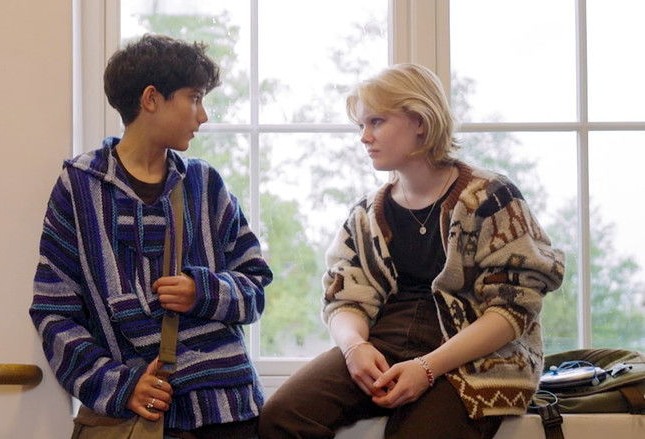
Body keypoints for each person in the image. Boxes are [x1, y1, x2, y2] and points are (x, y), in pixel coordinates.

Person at [258, 63, 564, 438]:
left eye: (376, 122)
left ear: (420, 121)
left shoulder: (492, 198)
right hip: (386, 342)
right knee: (281, 417)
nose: (364, 137)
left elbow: (514, 308)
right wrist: (355, 348)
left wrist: (427, 368)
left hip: (475, 358)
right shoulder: (366, 214)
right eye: (361, 125)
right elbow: (344, 298)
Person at [30, 34, 272, 439]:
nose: (203, 115)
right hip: (142, 418)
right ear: (151, 98)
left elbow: (256, 286)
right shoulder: (80, 187)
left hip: (229, 413)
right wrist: (120, 386)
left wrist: (202, 291)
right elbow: (53, 310)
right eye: (194, 98)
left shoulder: (205, 184)